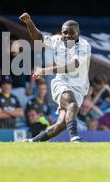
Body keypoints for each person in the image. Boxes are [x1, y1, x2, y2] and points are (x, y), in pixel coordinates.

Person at [19, 12, 92, 142]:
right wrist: (29, 23)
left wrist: (45, 70)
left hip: (79, 88)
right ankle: (75, 138)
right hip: (61, 82)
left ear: (79, 32)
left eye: (72, 32)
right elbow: (39, 38)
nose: (68, 35)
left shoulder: (84, 46)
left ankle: (33, 141)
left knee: (61, 124)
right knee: (72, 104)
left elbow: (73, 65)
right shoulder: (57, 40)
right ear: (61, 32)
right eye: (65, 32)